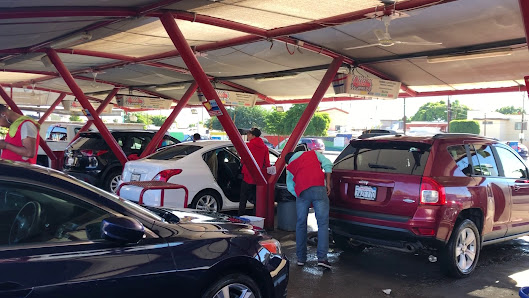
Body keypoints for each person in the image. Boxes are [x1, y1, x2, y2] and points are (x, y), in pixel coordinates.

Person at [285, 149, 333, 269]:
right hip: (319, 188)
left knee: (301, 223)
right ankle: (322, 258)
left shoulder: (290, 166)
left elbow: (290, 186)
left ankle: (301, 259)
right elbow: (328, 164)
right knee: (322, 224)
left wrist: (301, 196)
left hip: (302, 191)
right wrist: (327, 183)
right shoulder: (313, 153)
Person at [238, 127, 270, 216]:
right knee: (257, 198)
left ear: (253, 135)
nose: (247, 136)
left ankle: (241, 215)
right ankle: (256, 215)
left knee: (243, 197)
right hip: (258, 176)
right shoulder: (265, 147)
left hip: (247, 175)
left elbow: (243, 159)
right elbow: (267, 163)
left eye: (248, 134)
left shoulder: (247, 146)